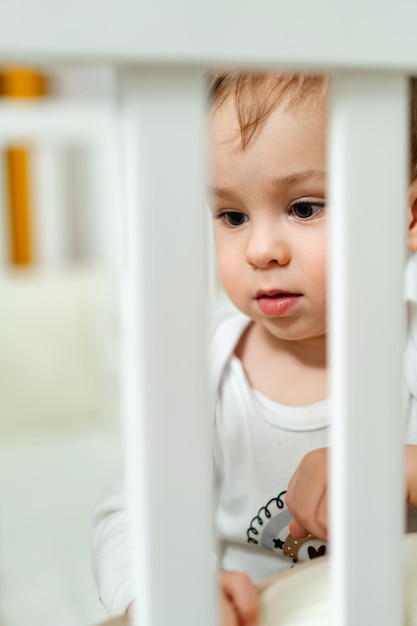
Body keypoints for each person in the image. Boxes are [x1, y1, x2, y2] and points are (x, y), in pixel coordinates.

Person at [92, 71, 417, 626]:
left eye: (305, 207)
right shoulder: (207, 367)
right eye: (233, 217)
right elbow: (136, 513)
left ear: (408, 215)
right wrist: (158, 594)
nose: (261, 249)